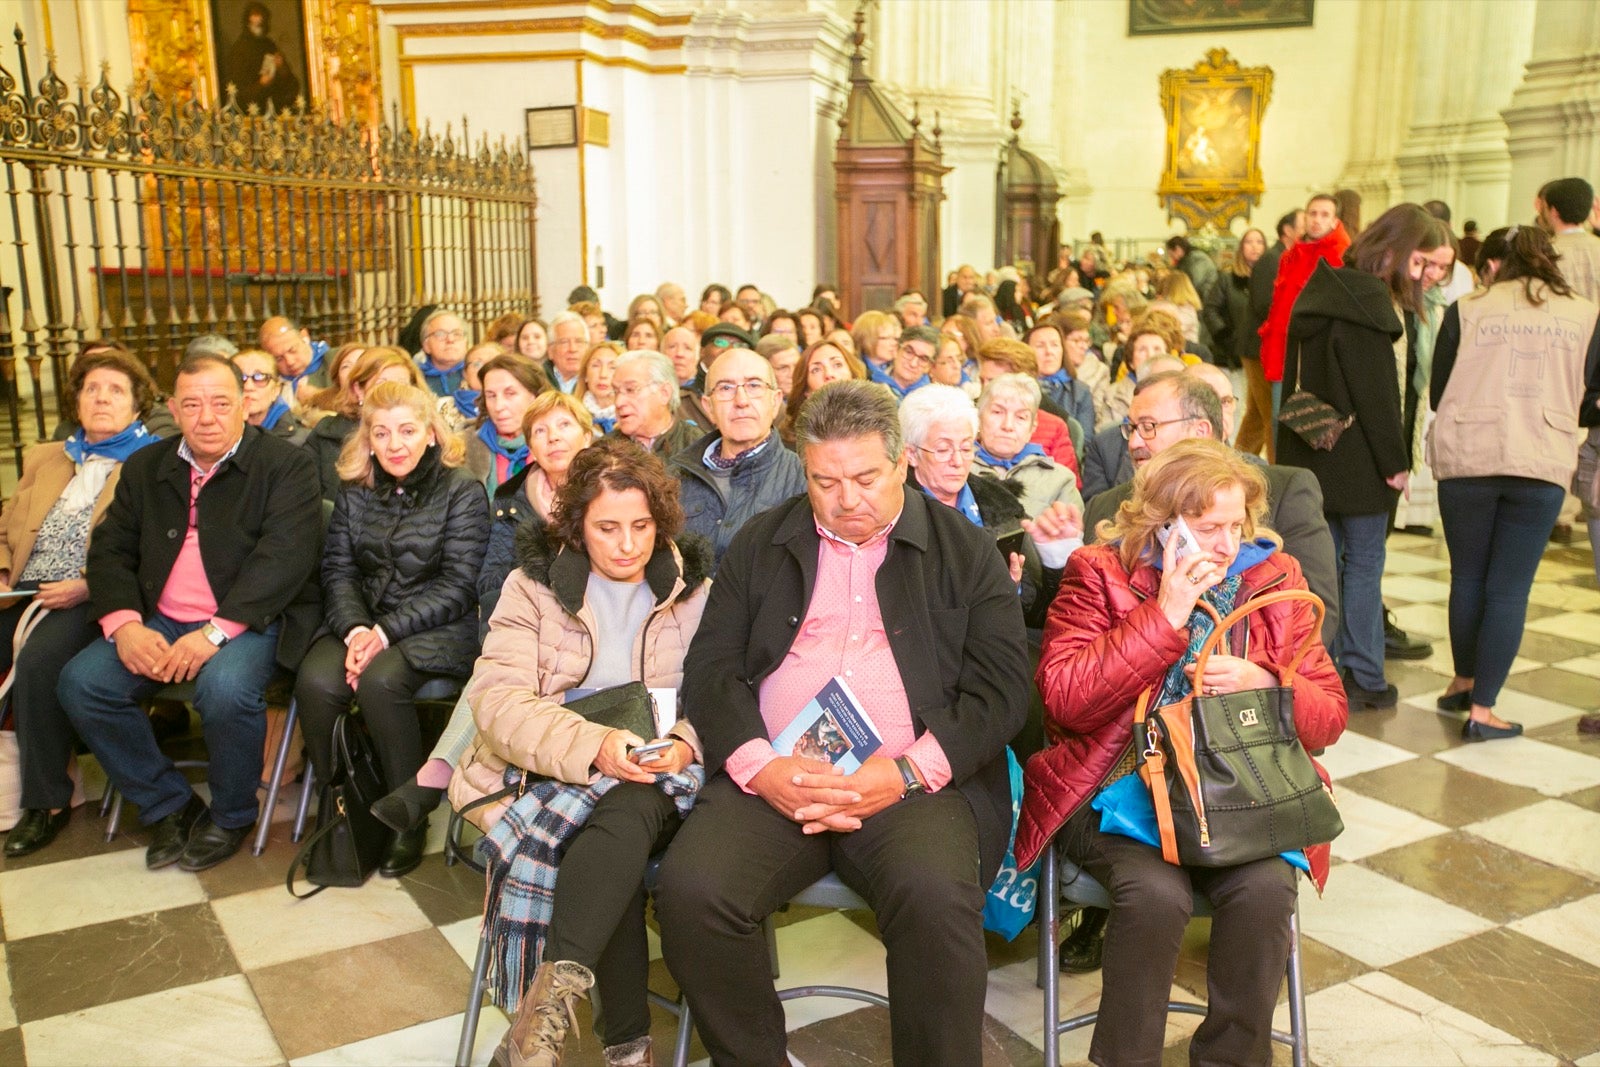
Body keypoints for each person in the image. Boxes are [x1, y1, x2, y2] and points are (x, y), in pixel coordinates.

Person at [656, 380, 1031, 1067]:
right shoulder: (762, 542)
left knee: (936, 902)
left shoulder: (965, 550)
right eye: (825, 481)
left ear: (902, 465)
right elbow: (711, 669)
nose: (845, 498)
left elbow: (1003, 692)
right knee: (692, 892)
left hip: (911, 785)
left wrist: (907, 769)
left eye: (864, 478)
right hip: (775, 776)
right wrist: (760, 766)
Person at [1015, 439, 1347, 1067]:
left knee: (1265, 892)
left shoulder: (1273, 579)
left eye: (1235, 526)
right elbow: (1065, 702)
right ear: (1163, 527)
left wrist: (1272, 685)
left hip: (1239, 791)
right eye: (1207, 528)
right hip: (1117, 788)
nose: (1226, 545)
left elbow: (1329, 715)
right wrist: (1163, 618)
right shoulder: (1099, 572)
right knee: (1156, 897)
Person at [448, 439, 711, 1067]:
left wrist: (684, 742)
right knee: (611, 826)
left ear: (662, 522)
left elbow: (731, 692)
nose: (627, 545)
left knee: (624, 809)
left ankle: (545, 1017)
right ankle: (627, 1049)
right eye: (608, 528)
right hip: (554, 768)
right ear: (576, 525)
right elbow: (497, 703)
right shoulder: (530, 587)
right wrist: (595, 744)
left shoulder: (695, 589)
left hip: (669, 773)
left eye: (642, 526)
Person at [58, 352, 322, 872]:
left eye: (221, 403)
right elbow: (110, 550)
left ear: (245, 405)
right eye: (193, 404)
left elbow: (284, 559)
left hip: (250, 620)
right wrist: (125, 624)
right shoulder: (146, 467)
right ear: (173, 410)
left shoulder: (286, 466)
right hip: (159, 618)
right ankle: (170, 805)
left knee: (223, 689)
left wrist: (214, 634)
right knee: (82, 682)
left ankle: (231, 814)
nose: (207, 417)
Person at [368, 392, 599, 834]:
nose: (553, 439)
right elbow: (492, 578)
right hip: (525, 626)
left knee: (502, 676)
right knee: (502, 667)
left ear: (588, 434)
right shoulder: (512, 499)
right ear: (530, 444)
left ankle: (433, 781)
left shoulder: (613, 491)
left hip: (593, 628)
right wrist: (512, 630)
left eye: (564, 426)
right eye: (541, 431)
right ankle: (484, 802)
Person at [294, 382, 489, 877]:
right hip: (361, 623)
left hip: (438, 624)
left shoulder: (460, 488)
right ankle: (349, 806)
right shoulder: (356, 489)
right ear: (368, 440)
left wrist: (382, 634)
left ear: (430, 434)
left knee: (381, 682)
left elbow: (459, 584)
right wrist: (358, 627)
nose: (395, 444)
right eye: (382, 433)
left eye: (407, 430)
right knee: (315, 682)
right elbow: (338, 571)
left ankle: (408, 815)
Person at [1429, 225, 1600, 740]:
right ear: (1549, 259)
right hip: (1541, 457)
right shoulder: (1586, 314)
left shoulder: (1468, 308)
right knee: (1508, 589)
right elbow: (1594, 395)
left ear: (1496, 263)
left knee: (1468, 577)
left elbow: (1439, 391)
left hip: (1467, 455)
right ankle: (1484, 711)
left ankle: (1462, 681)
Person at [1277, 203, 1450, 709]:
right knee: (1365, 564)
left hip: (1312, 449)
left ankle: (1317, 670)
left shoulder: (1323, 289)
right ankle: (1368, 676)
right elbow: (1378, 397)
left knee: (1321, 569)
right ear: (1394, 253)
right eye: (1416, 264)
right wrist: (1397, 463)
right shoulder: (1371, 303)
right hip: (1361, 459)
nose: (1418, 277)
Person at [1, 348, 162, 857]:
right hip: (23, 589)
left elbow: (155, 549)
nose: (102, 398)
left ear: (138, 405)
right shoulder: (45, 456)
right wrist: (4, 568)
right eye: (92, 389)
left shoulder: (153, 461)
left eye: (116, 390)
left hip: (96, 596)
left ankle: (45, 802)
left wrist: (88, 584)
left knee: (39, 659)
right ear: (76, 399)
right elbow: (7, 522)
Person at [900, 384, 1082, 628]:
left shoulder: (1001, 507)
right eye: (943, 449)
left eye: (966, 448)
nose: (957, 461)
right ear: (911, 453)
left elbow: (1039, 614)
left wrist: (1052, 561)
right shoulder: (895, 513)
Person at [670, 347, 805, 568]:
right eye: (725, 388)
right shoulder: (674, 477)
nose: (741, 400)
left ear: (775, 401)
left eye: (754, 385)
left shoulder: (804, 478)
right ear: (708, 407)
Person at [1259, 194, 1352, 424]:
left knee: (1313, 426)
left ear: (1334, 221)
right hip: (1283, 349)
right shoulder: (1290, 255)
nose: (1317, 220)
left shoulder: (1342, 257)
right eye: (1313, 213)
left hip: (1316, 355)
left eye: (1324, 215)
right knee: (1279, 421)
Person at [304, 346, 427, 501]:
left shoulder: (429, 437)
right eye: (381, 384)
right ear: (359, 390)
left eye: (401, 384)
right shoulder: (325, 437)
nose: (391, 393)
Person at [971, 372, 1085, 521]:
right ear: (978, 418)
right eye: (997, 412)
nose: (1008, 425)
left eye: (1021, 417)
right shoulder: (957, 468)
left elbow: (1072, 540)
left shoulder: (1060, 480)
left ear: (1032, 427)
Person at [1240, 211, 1302, 459]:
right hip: (1259, 347)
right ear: (1287, 231)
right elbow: (1265, 302)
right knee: (1270, 416)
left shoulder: (1282, 257)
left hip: (1263, 346)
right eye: (1303, 225)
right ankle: (1278, 472)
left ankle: (1237, 462)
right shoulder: (1272, 259)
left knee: (1256, 416)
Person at [467, 353, 546, 494]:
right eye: (491, 395)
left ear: (534, 396)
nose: (498, 406)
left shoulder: (557, 443)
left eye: (510, 393)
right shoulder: (464, 448)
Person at [609, 350, 700, 459]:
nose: (618, 402)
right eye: (615, 391)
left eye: (630, 390)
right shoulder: (604, 450)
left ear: (664, 393)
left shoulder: (699, 447)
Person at [779, 338, 867, 448]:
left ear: (853, 375)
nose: (829, 374)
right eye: (816, 369)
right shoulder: (790, 445)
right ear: (806, 390)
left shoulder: (879, 422)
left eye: (837, 364)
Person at [224, 1, 300, 114]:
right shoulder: (239, 51)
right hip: (250, 115)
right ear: (247, 24)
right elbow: (237, 94)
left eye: (260, 25)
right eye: (253, 24)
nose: (257, 29)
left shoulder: (269, 45)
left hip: (275, 111)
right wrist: (261, 85)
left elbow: (292, 86)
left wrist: (282, 69)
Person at [1026, 320, 1096, 434]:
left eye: (1054, 345)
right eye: (1040, 346)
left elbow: (1084, 441)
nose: (1049, 352)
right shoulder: (1017, 388)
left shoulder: (1081, 392)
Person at [231, 348, 309, 446]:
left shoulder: (303, 441)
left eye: (260, 377)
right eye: (239, 378)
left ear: (276, 390)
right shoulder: (211, 438)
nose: (248, 387)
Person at [258, 315, 329, 409]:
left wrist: (319, 397)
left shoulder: (336, 362)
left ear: (305, 337)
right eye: (279, 359)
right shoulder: (270, 381)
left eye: (292, 350)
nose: (289, 362)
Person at [869, 324, 938, 400]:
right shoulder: (871, 385)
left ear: (929, 367)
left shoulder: (932, 399)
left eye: (923, 359)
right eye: (909, 352)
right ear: (896, 350)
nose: (913, 363)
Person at [416, 308, 471, 397]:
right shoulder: (416, 378)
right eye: (440, 334)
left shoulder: (477, 373)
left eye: (457, 334)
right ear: (426, 346)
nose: (450, 340)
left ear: (466, 343)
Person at [576, 341, 620, 434]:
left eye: (612, 367)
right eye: (596, 366)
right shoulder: (573, 416)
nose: (603, 374)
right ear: (585, 375)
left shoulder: (632, 418)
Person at [544, 310, 589, 394]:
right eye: (564, 342)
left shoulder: (596, 384)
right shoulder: (536, 381)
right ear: (550, 351)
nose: (572, 349)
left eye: (579, 341)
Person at [851, 310, 900, 374]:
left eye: (894, 338)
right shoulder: (854, 370)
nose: (894, 343)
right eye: (884, 338)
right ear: (866, 340)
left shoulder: (902, 371)